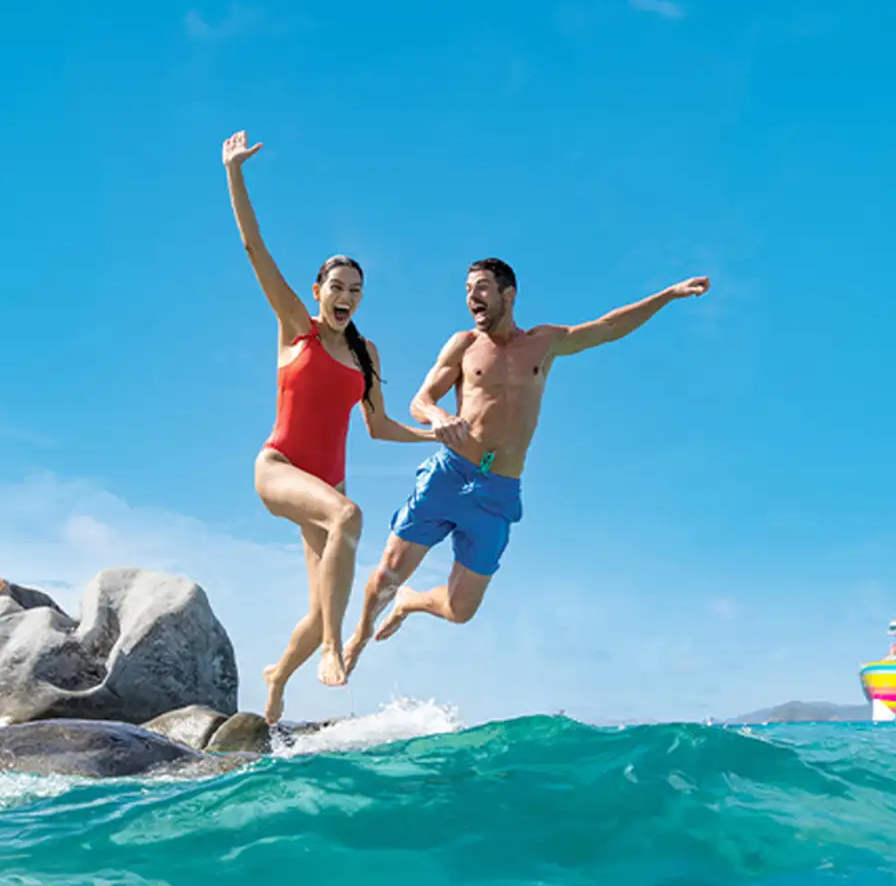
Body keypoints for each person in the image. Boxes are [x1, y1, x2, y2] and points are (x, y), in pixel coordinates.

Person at [340, 257, 710, 673]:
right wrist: (440, 417)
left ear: (508, 294)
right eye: (466, 290)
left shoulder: (544, 342)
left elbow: (608, 328)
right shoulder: (463, 345)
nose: (471, 297)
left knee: (461, 610)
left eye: (480, 287)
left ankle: (412, 601)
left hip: (498, 491)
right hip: (451, 474)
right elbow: (420, 400)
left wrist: (669, 294)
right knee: (389, 571)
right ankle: (355, 639)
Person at [221, 130, 437, 723]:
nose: (345, 297)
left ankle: (275, 678)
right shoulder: (298, 326)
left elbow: (379, 427)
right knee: (349, 517)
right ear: (318, 292)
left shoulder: (367, 352)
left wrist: (434, 435)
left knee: (322, 603)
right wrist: (234, 173)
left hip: (328, 486)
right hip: (280, 470)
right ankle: (334, 649)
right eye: (336, 288)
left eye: (355, 291)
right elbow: (253, 246)